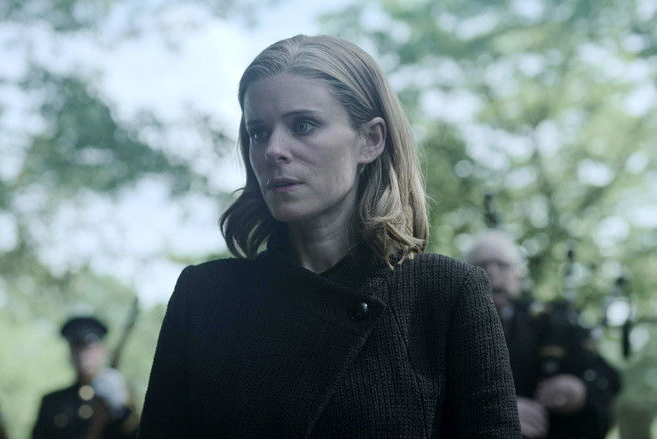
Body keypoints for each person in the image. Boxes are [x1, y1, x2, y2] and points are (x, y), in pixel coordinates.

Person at [139, 34, 520, 438]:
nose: (273, 150)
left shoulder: (445, 294)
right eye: (258, 132)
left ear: (370, 140)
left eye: (303, 126)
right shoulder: (204, 296)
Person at [467, 230, 621, 439]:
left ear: (518, 274)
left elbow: (607, 380)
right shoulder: (448, 330)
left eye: (502, 264)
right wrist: (496, 413)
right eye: (481, 266)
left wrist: (580, 392)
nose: (491, 273)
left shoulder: (555, 324)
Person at [31, 316, 139, 439]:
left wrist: (121, 412)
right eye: (78, 348)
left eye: (90, 348)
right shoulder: (52, 402)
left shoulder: (123, 395)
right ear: (70, 353)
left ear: (102, 350)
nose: (84, 355)